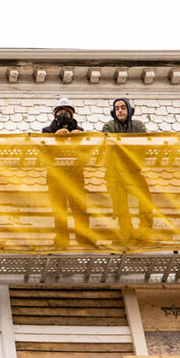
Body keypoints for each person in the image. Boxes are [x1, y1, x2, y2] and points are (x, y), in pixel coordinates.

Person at [39, 98, 92, 249]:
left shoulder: (80, 132)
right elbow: (44, 154)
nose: (63, 114)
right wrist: (55, 138)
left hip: (75, 176)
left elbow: (87, 154)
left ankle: (84, 238)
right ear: (55, 115)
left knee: (80, 208)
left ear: (72, 114)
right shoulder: (47, 131)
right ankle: (62, 239)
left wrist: (80, 139)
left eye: (66, 111)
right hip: (56, 177)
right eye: (60, 111)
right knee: (59, 209)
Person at [102, 98, 154, 247]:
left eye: (123, 107)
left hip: (133, 171)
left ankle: (144, 232)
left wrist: (122, 148)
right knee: (120, 206)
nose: (120, 110)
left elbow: (143, 145)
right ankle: (127, 234)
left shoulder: (137, 125)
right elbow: (109, 146)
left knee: (145, 199)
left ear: (129, 110)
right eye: (117, 108)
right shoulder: (109, 126)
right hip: (114, 174)